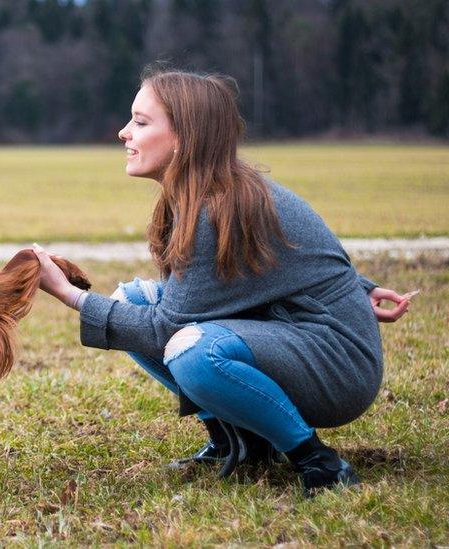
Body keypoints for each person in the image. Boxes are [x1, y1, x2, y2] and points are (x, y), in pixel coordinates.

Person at [32, 69, 414, 497]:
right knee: (132, 298)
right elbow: (284, 261)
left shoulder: (220, 207)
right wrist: (363, 288)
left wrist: (70, 295)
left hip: (338, 368)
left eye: (141, 122)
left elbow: (165, 330)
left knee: (192, 348)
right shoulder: (211, 194)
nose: (124, 132)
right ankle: (241, 440)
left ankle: (318, 461)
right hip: (291, 333)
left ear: (184, 137)